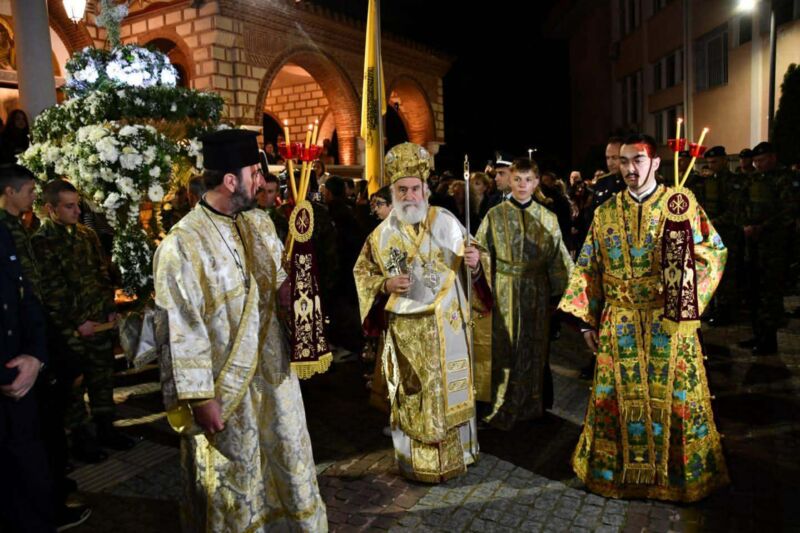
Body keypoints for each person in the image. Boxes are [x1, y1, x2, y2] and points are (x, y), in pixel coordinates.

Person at [153, 129, 327, 531]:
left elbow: (280, 283)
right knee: (236, 474)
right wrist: (200, 397)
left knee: (286, 452)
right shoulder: (182, 245)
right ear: (231, 180)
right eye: (254, 173)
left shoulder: (259, 224)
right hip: (225, 386)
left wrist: (297, 284)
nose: (261, 182)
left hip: (273, 373)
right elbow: (179, 328)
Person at [558, 133, 729, 502]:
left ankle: (677, 477)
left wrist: (684, 296)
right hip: (619, 322)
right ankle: (613, 473)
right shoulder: (605, 212)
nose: (629, 168)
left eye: (637, 160)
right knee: (616, 397)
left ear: (655, 163)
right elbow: (587, 266)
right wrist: (587, 320)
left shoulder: (680, 205)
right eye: (623, 161)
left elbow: (713, 252)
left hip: (667, 322)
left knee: (673, 398)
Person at [353, 142, 491, 483]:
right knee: (412, 394)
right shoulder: (381, 235)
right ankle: (414, 462)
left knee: (449, 390)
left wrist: (475, 264)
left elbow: (478, 259)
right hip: (407, 333)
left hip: (448, 327)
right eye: (402, 190)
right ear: (393, 192)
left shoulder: (446, 221)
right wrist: (385, 284)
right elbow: (362, 274)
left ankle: (461, 453)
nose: (410, 196)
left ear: (425, 189)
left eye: (415, 188)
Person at [34, 179, 137, 459]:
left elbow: (102, 273)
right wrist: (79, 322)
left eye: (77, 205)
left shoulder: (86, 235)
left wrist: (109, 306)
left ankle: (106, 427)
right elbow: (51, 290)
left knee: (102, 376)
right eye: (69, 206)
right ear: (50, 209)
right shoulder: (41, 242)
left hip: (99, 319)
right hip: (70, 328)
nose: (77, 211)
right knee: (74, 383)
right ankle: (80, 437)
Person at [475, 158, 572, 430]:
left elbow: (559, 259)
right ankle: (500, 405)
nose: (522, 185)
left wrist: (566, 296)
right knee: (504, 347)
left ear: (536, 183)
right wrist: (475, 264)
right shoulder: (495, 215)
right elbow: (481, 251)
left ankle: (530, 405)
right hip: (503, 289)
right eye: (517, 179)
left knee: (533, 347)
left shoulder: (548, 218)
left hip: (536, 292)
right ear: (510, 180)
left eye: (528, 180)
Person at [739, 141, 794, 354]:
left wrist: (762, 227)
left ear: (773, 158)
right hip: (753, 243)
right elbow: (743, 204)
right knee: (753, 290)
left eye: (761, 160)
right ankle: (758, 334)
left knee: (769, 294)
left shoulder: (785, 179)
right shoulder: (755, 179)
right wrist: (746, 224)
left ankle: (769, 341)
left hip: (773, 245)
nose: (758, 164)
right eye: (755, 161)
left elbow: (787, 211)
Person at [693, 146, 747, 326]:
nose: (711, 165)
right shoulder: (708, 181)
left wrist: (714, 222)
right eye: (708, 162)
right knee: (712, 270)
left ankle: (727, 312)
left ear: (724, 160)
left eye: (714, 162)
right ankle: (714, 309)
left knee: (728, 274)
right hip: (711, 234)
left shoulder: (734, 182)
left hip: (728, 233)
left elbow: (735, 210)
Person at [589, 136, 626, 214]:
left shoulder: (632, 183)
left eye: (614, 158)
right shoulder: (601, 182)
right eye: (607, 158)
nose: (610, 163)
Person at [256, 172, 288, 242]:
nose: (265, 195)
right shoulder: (245, 215)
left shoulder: (282, 221)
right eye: (262, 190)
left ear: (277, 193)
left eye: (270, 191)